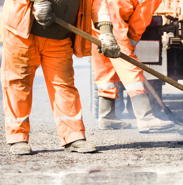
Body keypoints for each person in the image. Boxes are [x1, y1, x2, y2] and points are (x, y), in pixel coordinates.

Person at [1, 0, 119, 154]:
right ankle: (17, 138)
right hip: (22, 32)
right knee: (18, 84)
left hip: (58, 36)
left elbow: (98, 3)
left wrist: (106, 32)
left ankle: (74, 136)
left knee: (64, 85)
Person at [91, 0, 174, 133]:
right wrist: (129, 44)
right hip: (113, 18)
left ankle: (107, 116)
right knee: (130, 69)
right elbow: (140, 19)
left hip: (100, 16)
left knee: (106, 66)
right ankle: (145, 118)